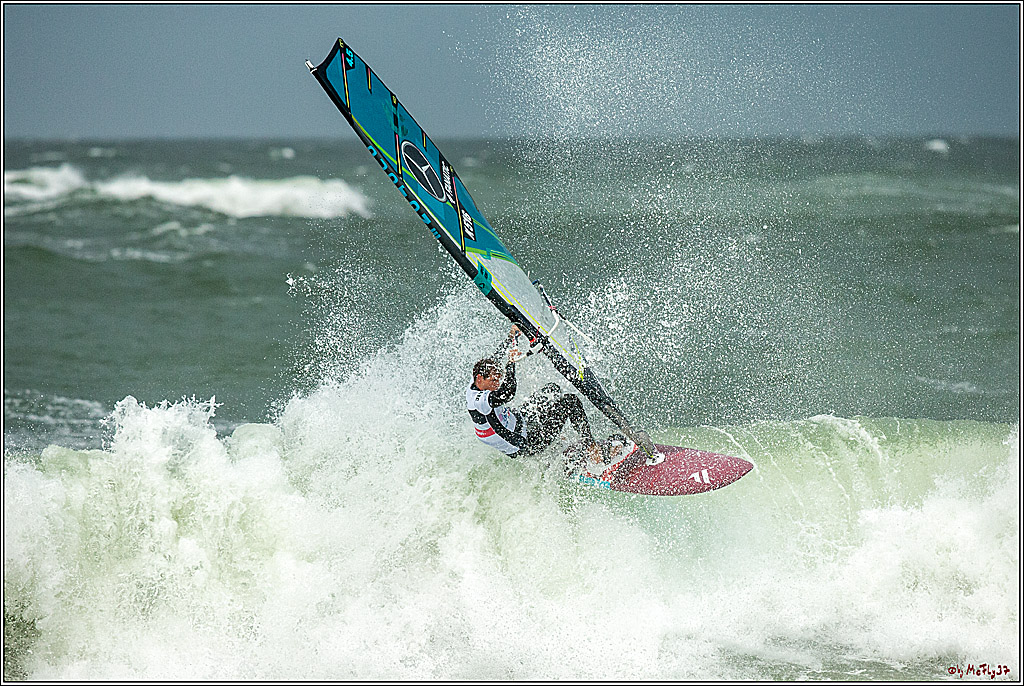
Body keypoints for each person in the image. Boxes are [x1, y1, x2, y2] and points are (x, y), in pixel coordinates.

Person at [467, 324, 599, 459]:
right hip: (526, 442)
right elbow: (508, 392)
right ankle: (592, 449)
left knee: (552, 389)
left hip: (520, 419)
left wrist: (512, 338)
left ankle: (556, 436)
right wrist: (511, 363)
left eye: (498, 380)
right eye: (494, 381)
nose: (496, 384)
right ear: (480, 379)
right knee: (571, 401)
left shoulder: (475, 382)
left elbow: (494, 359)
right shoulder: (479, 402)